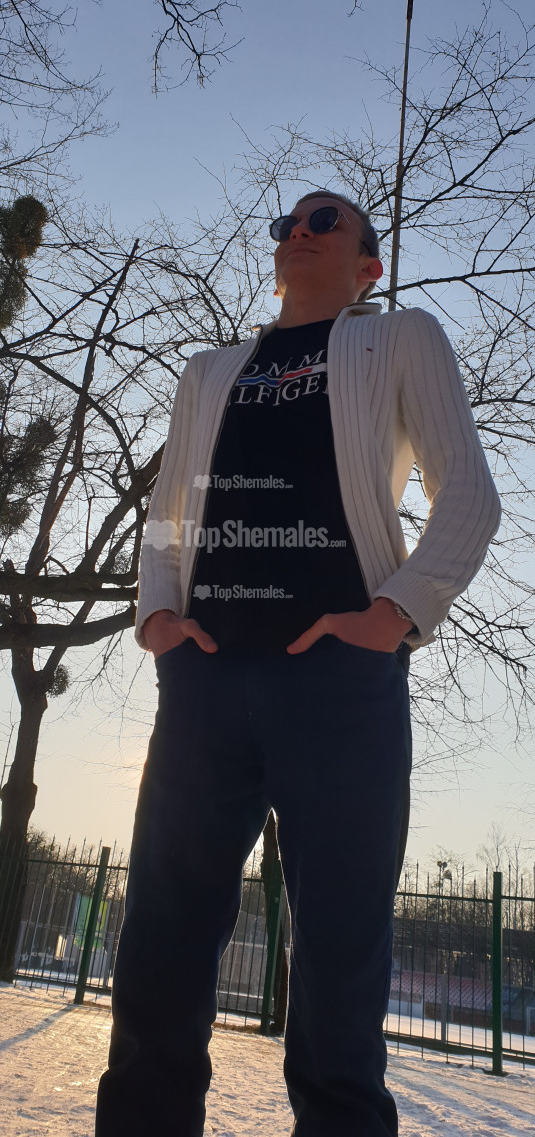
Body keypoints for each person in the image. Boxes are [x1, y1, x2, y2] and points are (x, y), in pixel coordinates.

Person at [95, 190, 501, 1136]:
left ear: (368, 265)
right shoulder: (208, 369)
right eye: (287, 225)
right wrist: (158, 617)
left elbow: (467, 492)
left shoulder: (397, 336)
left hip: (339, 681)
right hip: (203, 676)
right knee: (161, 934)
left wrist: (395, 612)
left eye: (325, 221)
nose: (299, 232)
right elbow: (171, 509)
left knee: (340, 945)